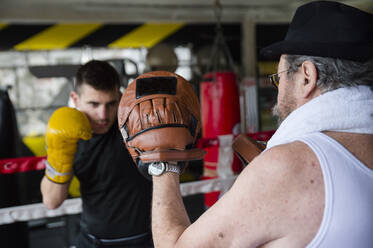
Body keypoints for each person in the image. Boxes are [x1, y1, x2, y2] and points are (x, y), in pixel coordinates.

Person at [146, 1, 373, 247]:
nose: (279, 90)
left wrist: (164, 162)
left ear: (307, 76)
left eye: (280, 78)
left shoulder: (288, 167)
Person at [40, 60, 153, 248]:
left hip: (142, 240)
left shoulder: (135, 127)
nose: (103, 115)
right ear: (75, 99)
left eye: (111, 104)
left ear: (119, 97)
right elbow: (52, 201)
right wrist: (59, 154)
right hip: (91, 240)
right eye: (94, 104)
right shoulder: (67, 134)